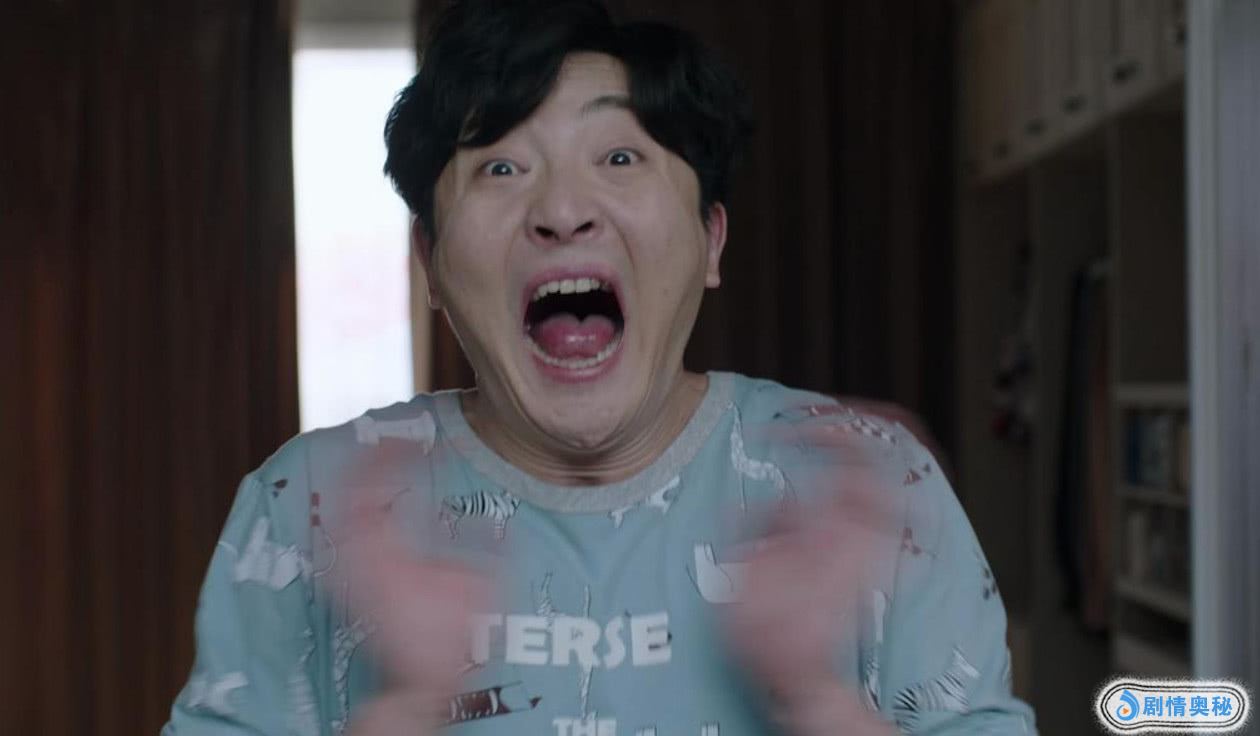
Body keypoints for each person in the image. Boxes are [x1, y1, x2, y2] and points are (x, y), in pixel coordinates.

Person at [163, 1, 1037, 734]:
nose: (562, 209)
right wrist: (404, 706)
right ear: (429, 264)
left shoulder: (871, 487)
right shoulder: (307, 510)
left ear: (711, 239)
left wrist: (817, 700)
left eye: (619, 157)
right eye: (501, 166)